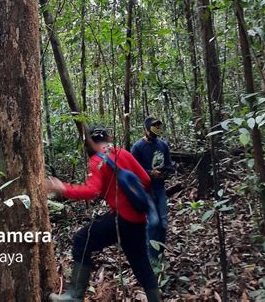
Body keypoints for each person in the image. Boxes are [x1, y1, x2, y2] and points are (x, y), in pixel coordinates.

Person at [45, 125, 162, 302]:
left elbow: (92, 192)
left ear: (91, 143)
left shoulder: (97, 161)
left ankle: (74, 295)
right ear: (108, 138)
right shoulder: (122, 153)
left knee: (81, 239)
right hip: (138, 219)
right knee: (141, 263)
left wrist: (63, 188)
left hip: (122, 219)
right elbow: (146, 180)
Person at [131, 117, 175, 261]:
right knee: (153, 222)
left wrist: (165, 172)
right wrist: (150, 172)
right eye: (154, 126)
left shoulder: (163, 145)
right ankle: (151, 257)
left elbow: (169, 165)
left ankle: (160, 255)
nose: (157, 128)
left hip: (160, 188)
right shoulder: (138, 147)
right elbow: (132, 170)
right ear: (146, 129)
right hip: (145, 190)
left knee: (163, 223)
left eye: (158, 125)